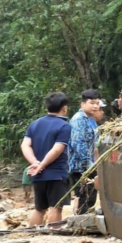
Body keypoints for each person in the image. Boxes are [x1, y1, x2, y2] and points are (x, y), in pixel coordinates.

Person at [21, 92, 72, 227]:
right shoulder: (64, 126)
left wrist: (35, 163)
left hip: (37, 174)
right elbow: (57, 149)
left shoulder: (35, 124)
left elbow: (25, 145)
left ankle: (31, 234)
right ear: (64, 108)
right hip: (56, 173)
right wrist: (41, 165)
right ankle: (53, 236)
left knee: (39, 208)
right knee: (56, 207)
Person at [68, 89, 104, 215]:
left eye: (98, 103)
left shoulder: (91, 120)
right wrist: (89, 167)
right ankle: (80, 222)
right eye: (92, 103)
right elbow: (78, 145)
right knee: (85, 197)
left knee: (90, 196)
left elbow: (94, 144)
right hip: (81, 167)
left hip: (90, 165)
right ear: (82, 104)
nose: (95, 106)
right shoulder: (79, 120)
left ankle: (81, 219)